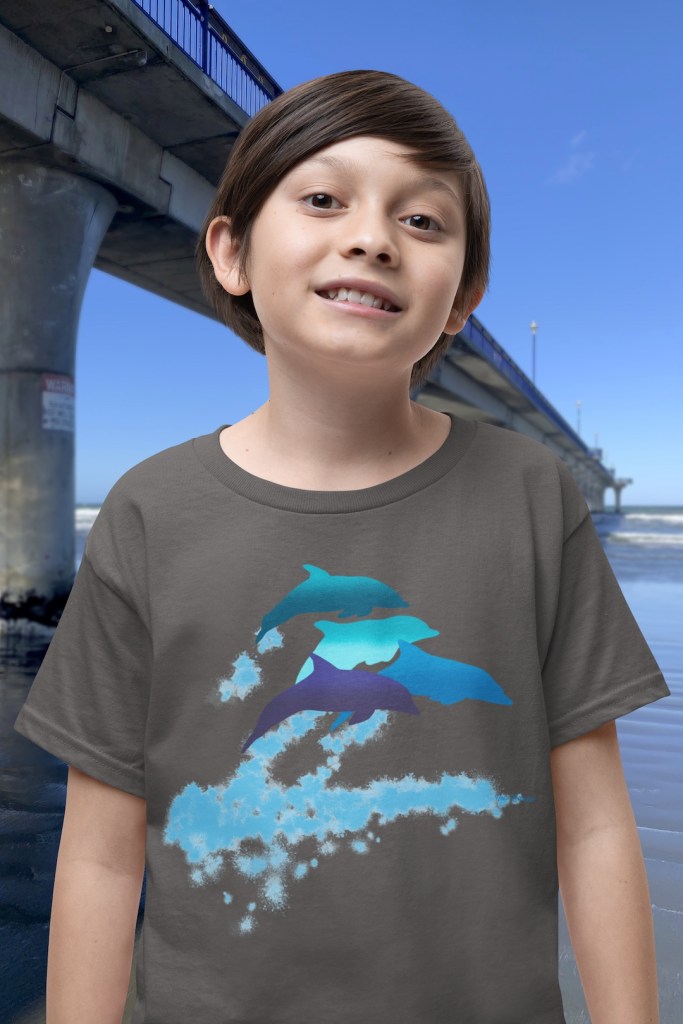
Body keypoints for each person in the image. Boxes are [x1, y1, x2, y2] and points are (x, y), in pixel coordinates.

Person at [13, 69, 670, 1024]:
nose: (371, 238)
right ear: (231, 252)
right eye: (323, 200)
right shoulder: (151, 509)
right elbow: (103, 856)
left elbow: (596, 826)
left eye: (422, 220)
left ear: (462, 299)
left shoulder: (530, 493)